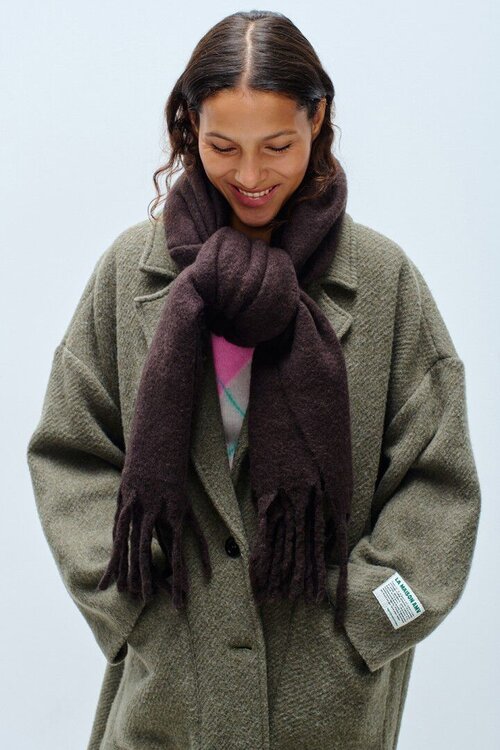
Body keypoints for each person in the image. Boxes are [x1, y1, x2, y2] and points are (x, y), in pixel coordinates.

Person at [26, 10, 481, 750]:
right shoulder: (129, 274)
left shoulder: (384, 283)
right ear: (188, 128)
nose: (249, 176)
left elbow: (439, 483)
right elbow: (69, 455)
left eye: (277, 146)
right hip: (165, 707)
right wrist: (135, 614)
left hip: (329, 717)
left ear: (317, 120)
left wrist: (367, 624)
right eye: (221, 147)